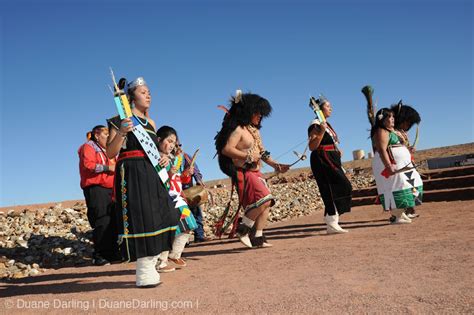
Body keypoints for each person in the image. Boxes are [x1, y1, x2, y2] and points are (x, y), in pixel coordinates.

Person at [106, 77, 178, 288]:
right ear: (131, 97)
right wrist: (121, 132)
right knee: (142, 216)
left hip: (152, 172)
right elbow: (111, 152)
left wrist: (163, 157)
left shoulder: (152, 123)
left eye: (149, 92)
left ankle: (155, 261)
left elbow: (155, 150)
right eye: (143, 92)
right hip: (132, 172)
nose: (148, 95)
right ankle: (144, 270)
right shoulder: (119, 119)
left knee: (164, 213)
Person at [214, 90, 290, 248]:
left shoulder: (254, 132)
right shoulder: (238, 130)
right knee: (265, 199)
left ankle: (258, 237)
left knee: (267, 204)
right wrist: (247, 156)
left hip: (256, 172)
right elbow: (226, 149)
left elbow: (262, 153)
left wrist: (276, 165)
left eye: (261, 114)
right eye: (257, 113)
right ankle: (243, 230)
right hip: (245, 173)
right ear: (248, 112)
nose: (260, 116)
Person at [307, 96, 352, 234]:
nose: (331, 108)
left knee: (339, 187)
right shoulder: (315, 124)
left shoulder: (326, 124)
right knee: (333, 187)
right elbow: (312, 146)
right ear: (320, 109)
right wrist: (321, 131)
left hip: (331, 158)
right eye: (328, 106)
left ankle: (331, 220)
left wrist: (336, 150)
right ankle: (331, 221)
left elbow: (330, 142)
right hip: (322, 159)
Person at [370, 108, 423, 224]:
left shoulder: (393, 131)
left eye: (393, 117)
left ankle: (401, 212)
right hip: (389, 164)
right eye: (389, 117)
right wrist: (388, 165)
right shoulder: (381, 131)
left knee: (414, 184)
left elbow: (396, 145)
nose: (392, 119)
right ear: (382, 119)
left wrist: (407, 149)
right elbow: (382, 149)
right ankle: (397, 215)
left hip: (402, 165)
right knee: (397, 187)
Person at [155, 126, 197, 272]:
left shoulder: (173, 159)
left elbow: (179, 178)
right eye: (169, 141)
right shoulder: (156, 157)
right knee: (169, 227)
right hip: (166, 197)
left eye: (174, 142)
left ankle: (174, 254)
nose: (172, 145)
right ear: (158, 140)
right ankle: (161, 261)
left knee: (189, 223)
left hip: (177, 196)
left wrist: (187, 173)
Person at [78, 125, 119, 265]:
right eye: (106, 133)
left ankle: (112, 253)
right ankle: (99, 254)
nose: (108, 136)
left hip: (111, 189)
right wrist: (108, 168)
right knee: (102, 220)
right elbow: (88, 165)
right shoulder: (88, 147)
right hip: (96, 188)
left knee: (113, 220)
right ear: (97, 135)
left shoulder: (109, 151)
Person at [390, 102, 421, 220]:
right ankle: (400, 212)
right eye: (407, 122)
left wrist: (409, 150)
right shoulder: (391, 132)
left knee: (414, 185)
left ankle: (409, 209)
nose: (408, 125)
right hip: (398, 165)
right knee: (404, 186)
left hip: (407, 162)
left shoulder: (402, 133)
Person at [181, 148, 210, 243]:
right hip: (177, 193)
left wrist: (198, 181)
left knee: (196, 213)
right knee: (183, 215)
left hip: (190, 192)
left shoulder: (187, 157)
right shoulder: (170, 159)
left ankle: (199, 235)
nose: (178, 147)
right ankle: (183, 240)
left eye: (178, 144)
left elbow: (196, 171)